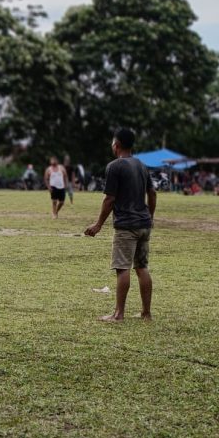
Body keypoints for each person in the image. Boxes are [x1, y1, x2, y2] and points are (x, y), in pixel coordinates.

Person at [85, 128, 156, 322]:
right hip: (143, 224)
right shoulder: (142, 165)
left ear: (116, 145)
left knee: (122, 268)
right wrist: (150, 216)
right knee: (142, 267)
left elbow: (109, 199)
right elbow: (152, 194)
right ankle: (146, 313)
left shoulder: (115, 167)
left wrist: (98, 224)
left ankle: (118, 314)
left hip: (126, 226)